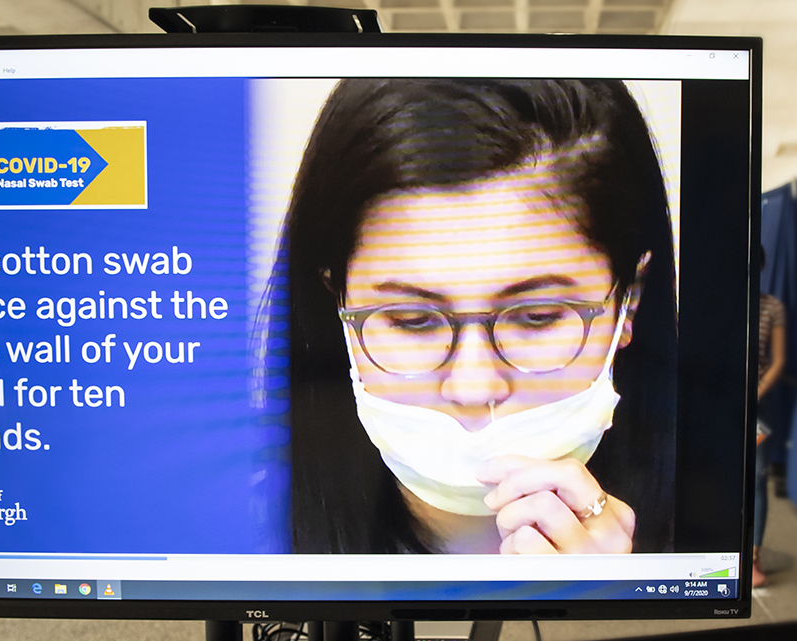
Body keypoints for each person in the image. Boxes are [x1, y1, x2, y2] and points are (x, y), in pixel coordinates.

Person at [282, 79, 678, 555]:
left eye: (537, 317)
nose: (472, 389)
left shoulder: (704, 529)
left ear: (628, 303)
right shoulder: (243, 529)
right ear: (338, 306)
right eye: (410, 319)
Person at [753, 245, 787, 587]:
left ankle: (753, 558)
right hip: (717, 400)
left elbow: (778, 362)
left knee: (757, 478)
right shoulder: (721, 304)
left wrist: (755, 394)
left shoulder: (772, 307)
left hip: (756, 405)